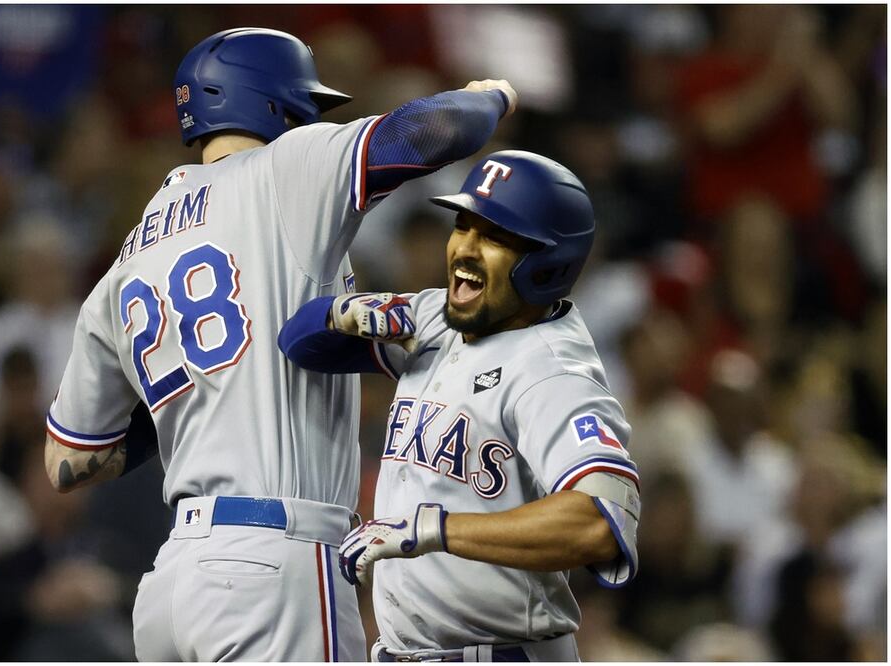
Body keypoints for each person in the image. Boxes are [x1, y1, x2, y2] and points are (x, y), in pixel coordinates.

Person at [42, 27, 517, 662]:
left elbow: (69, 462)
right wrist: (493, 97)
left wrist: (199, 401)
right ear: (274, 105)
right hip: (274, 560)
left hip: (172, 585)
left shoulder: (127, 260)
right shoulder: (284, 170)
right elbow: (431, 130)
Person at [279, 150, 640, 661]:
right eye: (463, 226)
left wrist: (432, 529)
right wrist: (343, 312)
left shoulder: (553, 373)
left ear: (547, 264)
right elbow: (299, 343)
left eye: (493, 237)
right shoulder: (441, 317)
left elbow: (599, 523)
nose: (463, 250)